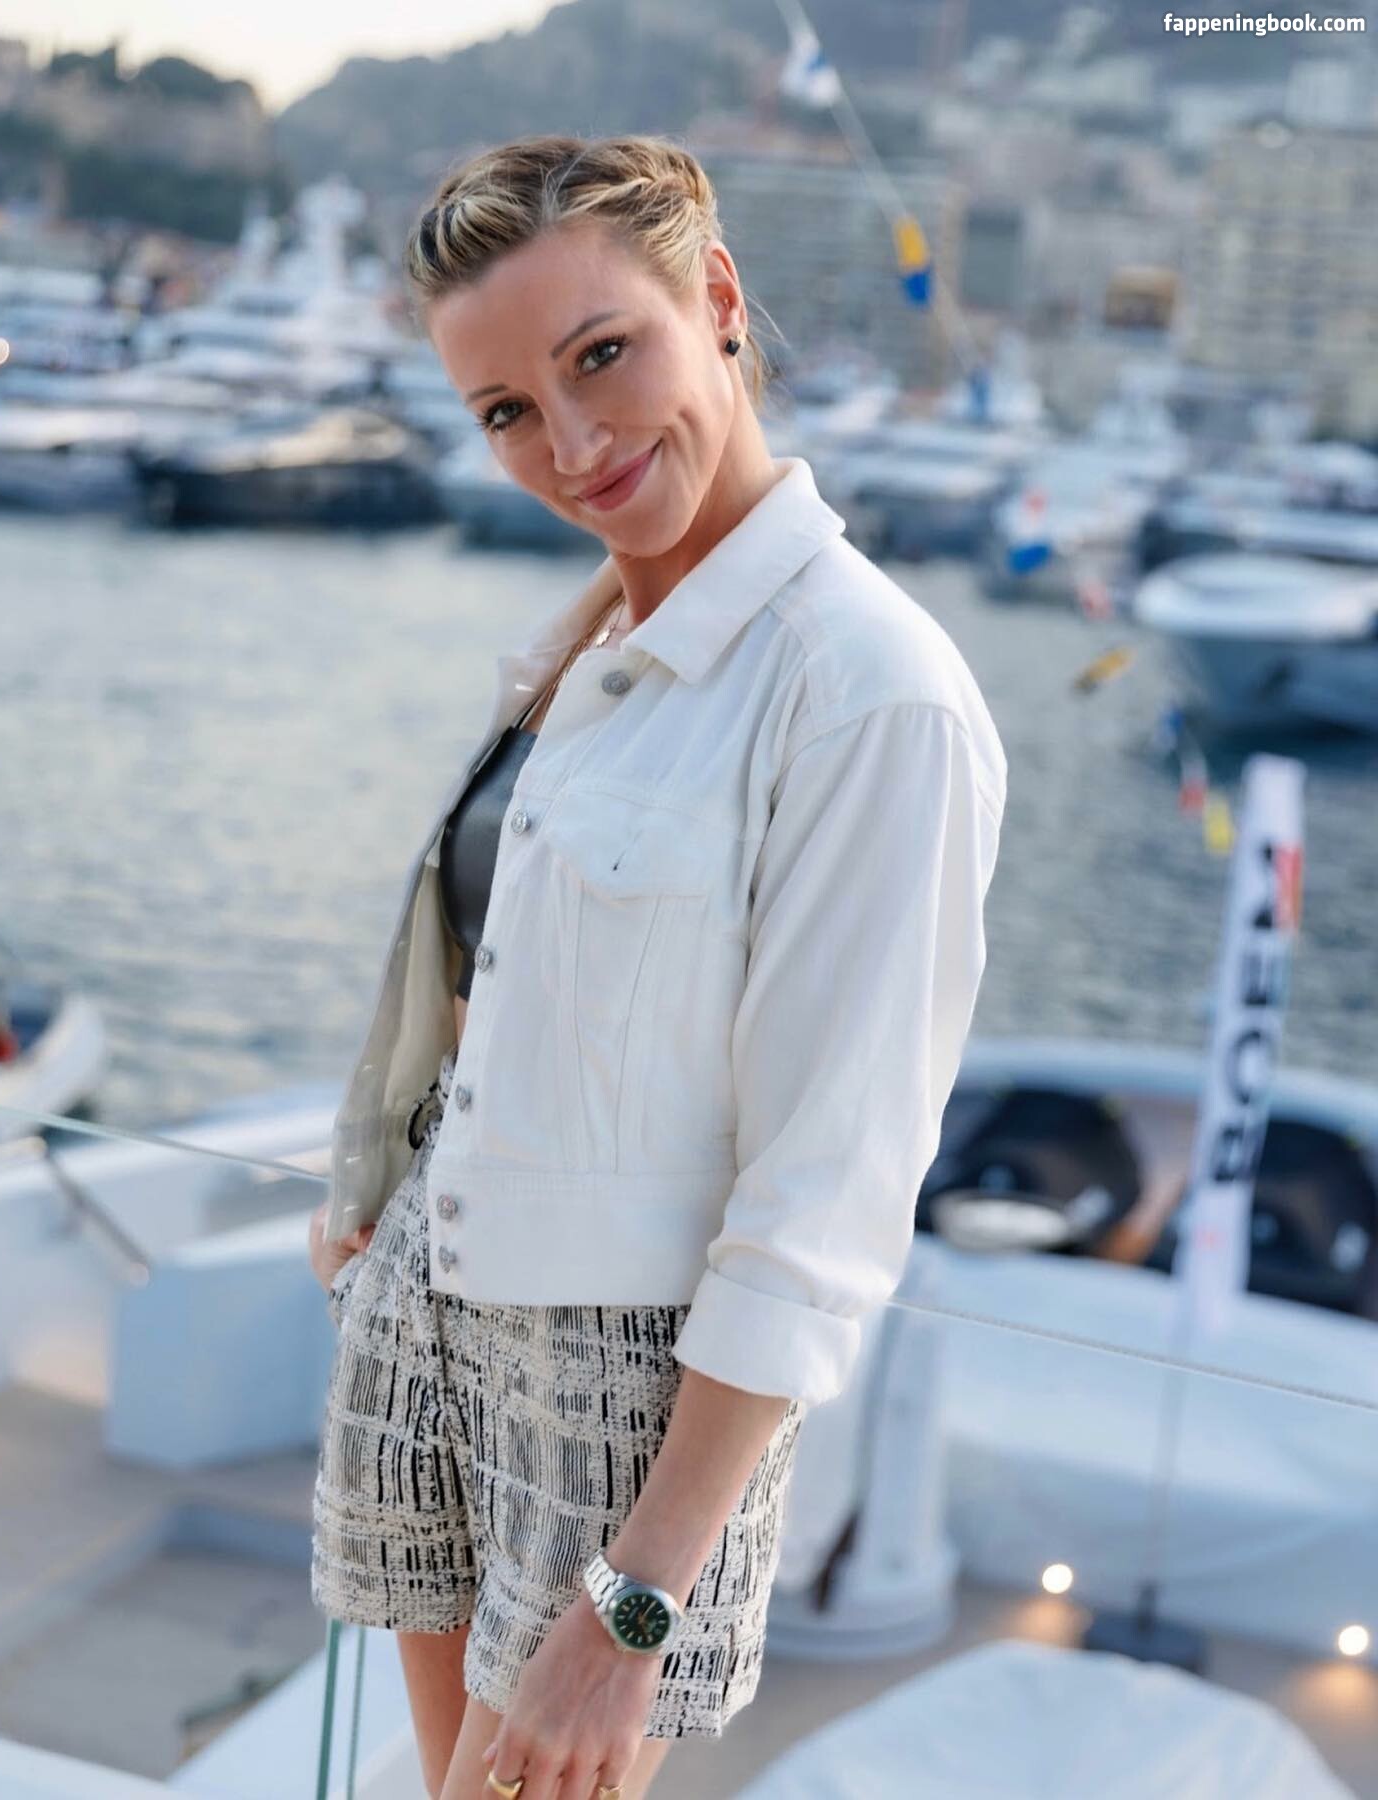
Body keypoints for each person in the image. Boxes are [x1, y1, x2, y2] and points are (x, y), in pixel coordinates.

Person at [307, 134, 1007, 1800]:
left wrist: (638, 1599)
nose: (571, 445)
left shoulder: (867, 690)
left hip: (629, 1402)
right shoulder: (589, 648)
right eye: (506, 411)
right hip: (430, 1312)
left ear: (720, 300)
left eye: (602, 355)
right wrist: (380, 1182)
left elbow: (827, 1192)